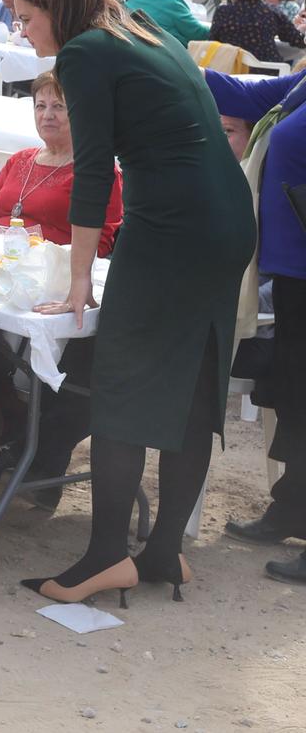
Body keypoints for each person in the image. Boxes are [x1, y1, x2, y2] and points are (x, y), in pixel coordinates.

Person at [12, 0, 255, 605]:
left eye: (27, 18)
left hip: (172, 226)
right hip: (227, 218)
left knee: (120, 379)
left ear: (57, 10)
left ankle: (104, 555)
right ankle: (165, 550)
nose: (23, 32)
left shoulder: (86, 52)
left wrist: (77, 280)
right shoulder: (147, 30)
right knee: (197, 383)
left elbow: (93, 171)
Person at [0, 71, 122, 473]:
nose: (47, 115)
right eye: (41, 105)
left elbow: (105, 240)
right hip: (4, 276)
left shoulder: (97, 170)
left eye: (59, 106)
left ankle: (30, 442)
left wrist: (39, 246)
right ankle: (9, 419)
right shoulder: (20, 161)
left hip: (54, 281)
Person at [207, 65, 306, 581]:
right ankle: (291, 510)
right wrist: (165, 55)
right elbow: (239, 92)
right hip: (292, 270)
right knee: (297, 397)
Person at [211, 0, 303, 63]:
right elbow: (297, 40)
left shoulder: (222, 11)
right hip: (267, 70)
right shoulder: (271, 12)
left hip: (231, 68)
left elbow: (213, 41)